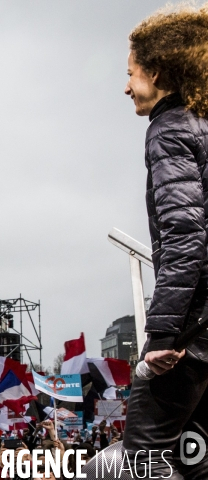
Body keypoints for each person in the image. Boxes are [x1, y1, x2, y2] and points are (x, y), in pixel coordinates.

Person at [122, 5, 208, 479]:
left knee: (144, 456)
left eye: (130, 74)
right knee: (194, 458)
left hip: (191, 335)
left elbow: (185, 236)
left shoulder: (169, 129)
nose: (126, 87)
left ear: (156, 72)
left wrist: (161, 336)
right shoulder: (203, 123)